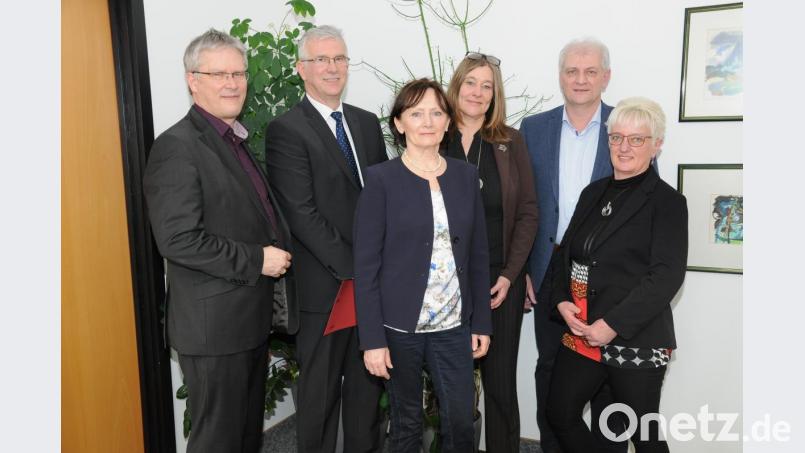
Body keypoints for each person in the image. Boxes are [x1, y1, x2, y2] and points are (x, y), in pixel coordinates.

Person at [143, 29, 296, 453]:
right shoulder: (177, 147)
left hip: (245, 322)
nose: (233, 83)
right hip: (214, 331)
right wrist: (256, 259)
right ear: (193, 80)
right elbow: (177, 239)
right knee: (218, 440)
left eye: (239, 73)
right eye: (219, 74)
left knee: (244, 438)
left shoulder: (233, 140)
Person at [264, 25, 388, 453]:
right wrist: (359, 267)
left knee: (366, 392)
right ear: (302, 69)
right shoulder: (287, 130)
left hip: (369, 286)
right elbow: (302, 215)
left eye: (339, 59)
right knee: (318, 399)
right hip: (324, 291)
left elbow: (383, 200)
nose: (332, 68)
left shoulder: (367, 123)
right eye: (321, 60)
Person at [354, 78, 492, 453]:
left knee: (461, 421)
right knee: (406, 423)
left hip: (453, 325)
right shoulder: (380, 180)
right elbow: (365, 266)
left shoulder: (465, 177)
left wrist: (480, 321)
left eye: (436, 112)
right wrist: (372, 340)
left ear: (448, 121)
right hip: (399, 327)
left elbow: (479, 255)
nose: (427, 121)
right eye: (416, 113)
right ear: (399, 123)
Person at [545, 96, 687, 453]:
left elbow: (666, 276)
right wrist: (561, 300)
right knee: (559, 413)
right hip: (581, 333)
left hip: (633, 338)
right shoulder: (593, 192)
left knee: (642, 436)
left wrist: (611, 325)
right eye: (617, 137)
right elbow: (567, 254)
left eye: (637, 139)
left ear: (657, 145)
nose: (624, 147)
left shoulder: (667, 202)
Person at [519, 37, 625, 453]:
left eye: (590, 71)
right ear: (560, 76)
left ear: (606, 77)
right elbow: (524, 206)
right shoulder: (535, 128)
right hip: (549, 269)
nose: (580, 80)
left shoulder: (626, 127)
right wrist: (527, 266)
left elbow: (642, 205)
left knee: (608, 378)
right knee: (550, 370)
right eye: (571, 71)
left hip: (608, 277)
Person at [444, 52, 538, 453]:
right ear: (457, 86)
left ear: (495, 94)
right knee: (454, 386)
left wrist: (511, 274)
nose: (478, 92)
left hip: (501, 280)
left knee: (500, 385)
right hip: (443, 283)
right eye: (471, 83)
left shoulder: (509, 141)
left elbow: (529, 212)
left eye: (487, 86)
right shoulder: (434, 135)